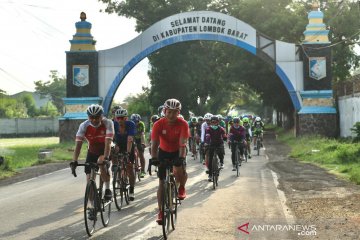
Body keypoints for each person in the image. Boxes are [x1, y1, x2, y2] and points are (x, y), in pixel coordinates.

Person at [70, 104, 114, 216]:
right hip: (92, 151)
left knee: (101, 162)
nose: (94, 119)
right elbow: (78, 145)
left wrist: (107, 158)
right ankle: (94, 206)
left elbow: (108, 143)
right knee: (89, 181)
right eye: (91, 117)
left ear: (101, 116)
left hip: (105, 150)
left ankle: (108, 189)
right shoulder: (84, 126)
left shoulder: (108, 123)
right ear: (88, 117)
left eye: (97, 117)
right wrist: (74, 161)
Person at [151, 98, 189, 225]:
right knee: (162, 183)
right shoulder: (158, 124)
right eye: (169, 112)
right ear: (164, 111)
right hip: (163, 151)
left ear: (178, 113)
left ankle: (182, 187)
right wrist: (153, 158)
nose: (172, 115)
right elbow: (154, 143)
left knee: (179, 169)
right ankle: (161, 211)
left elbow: (183, 143)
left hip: (177, 151)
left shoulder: (183, 124)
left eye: (175, 112)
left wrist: (181, 157)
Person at [113, 108, 137, 200]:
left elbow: (130, 139)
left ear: (126, 118)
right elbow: (111, 138)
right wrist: (115, 145)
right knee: (113, 152)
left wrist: (127, 153)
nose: (120, 120)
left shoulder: (130, 124)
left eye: (122, 118)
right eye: (118, 118)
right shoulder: (114, 124)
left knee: (129, 168)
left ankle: (131, 189)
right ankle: (116, 170)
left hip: (128, 146)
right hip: (119, 145)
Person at [204, 115, 227, 181]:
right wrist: (206, 142)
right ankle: (210, 175)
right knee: (210, 160)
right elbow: (207, 136)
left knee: (221, 152)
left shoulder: (221, 128)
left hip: (219, 143)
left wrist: (225, 137)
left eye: (215, 122)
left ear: (218, 122)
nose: (214, 123)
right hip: (211, 144)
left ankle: (222, 163)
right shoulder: (208, 129)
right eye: (212, 122)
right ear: (210, 122)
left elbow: (224, 134)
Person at [131, 113, 147, 178]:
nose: (136, 123)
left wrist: (143, 143)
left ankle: (143, 170)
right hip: (133, 138)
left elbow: (142, 134)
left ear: (139, 121)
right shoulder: (130, 124)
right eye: (134, 122)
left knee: (141, 154)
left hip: (140, 139)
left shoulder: (141, 124)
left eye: (137, 121)